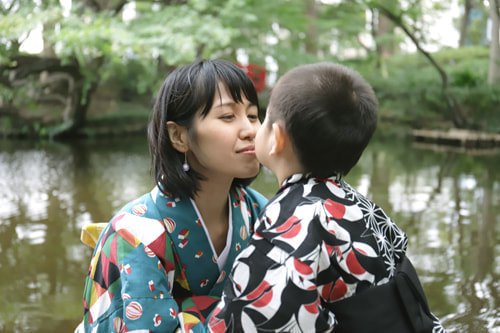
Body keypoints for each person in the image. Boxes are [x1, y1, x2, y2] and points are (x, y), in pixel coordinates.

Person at [206, 62, 446, 332]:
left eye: (263, 117)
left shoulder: (289, 221)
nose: (253, 129)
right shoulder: (361, 206)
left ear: (277, 139)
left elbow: (249, 321)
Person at [77, 59, 268, 333]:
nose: (251, 130)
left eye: (252, 115)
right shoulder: (133, 234)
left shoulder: (260, 212)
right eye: (228, 116)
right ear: (179, 136)